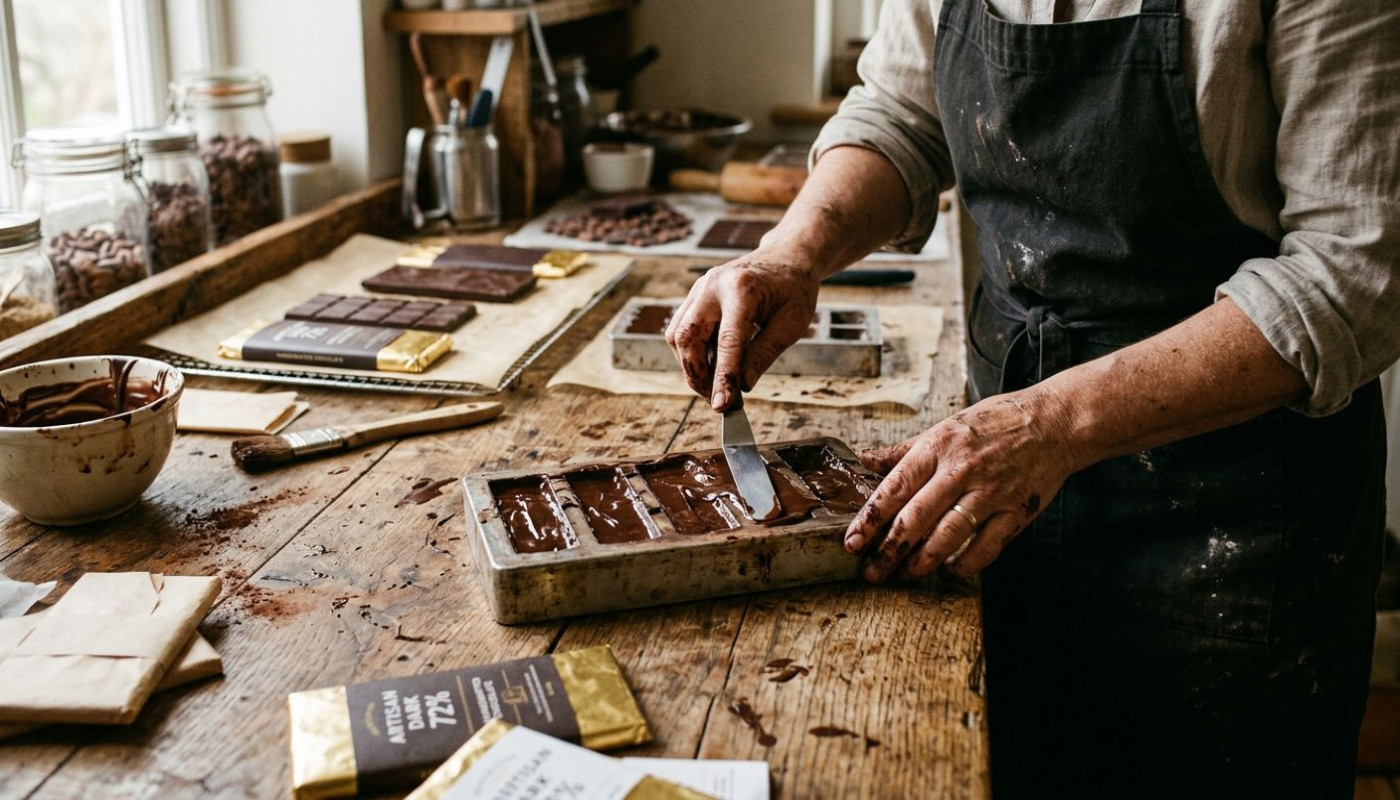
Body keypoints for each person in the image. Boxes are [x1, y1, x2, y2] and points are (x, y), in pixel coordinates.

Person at [665, 0, 1399, 796]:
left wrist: (1052, 422)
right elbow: (901, 112)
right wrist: (791, 253)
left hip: (1238, 502)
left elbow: (1355, 271)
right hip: (994, 459)